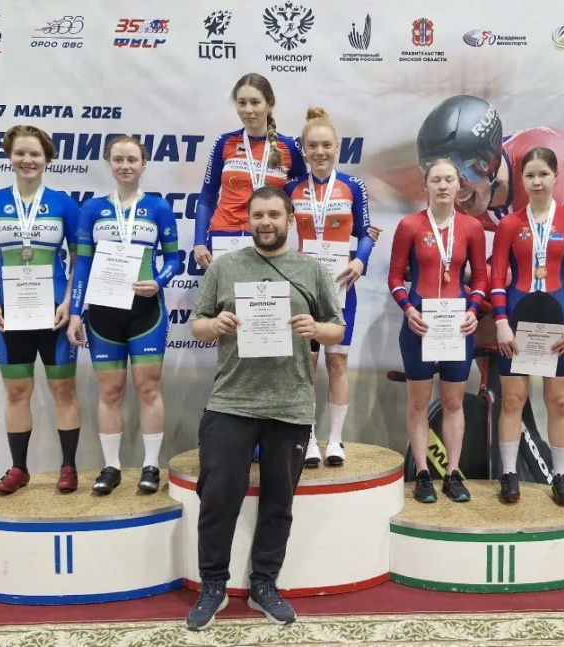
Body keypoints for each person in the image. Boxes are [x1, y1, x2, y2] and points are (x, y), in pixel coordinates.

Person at [416, 95, 564, 520]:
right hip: (540, 260)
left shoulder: (546, 170)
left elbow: (552, 273)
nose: (456, 189)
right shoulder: (469, 188)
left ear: (489, 163)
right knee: (487, 333)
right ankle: (522, 467)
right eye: (439, 173)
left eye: (463, 175)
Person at [185, 186, 344, 631]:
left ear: (290, 219)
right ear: (248, 220)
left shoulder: (312, 270)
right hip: (231, 401)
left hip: (290, 405)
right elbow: (196, 324)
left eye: (274, 214)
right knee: (218, 497)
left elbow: (336, 328)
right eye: (258, 215)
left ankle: (264, 585)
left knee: (279, 501)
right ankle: (213, 585)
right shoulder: (225, 267)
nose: (266, 222)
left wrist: (316, 328)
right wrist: (214, 324)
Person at [66, 136, 181, 495]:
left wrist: (159, 281)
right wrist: (74, 312)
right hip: (103, 313)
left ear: (144, 164)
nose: (125, 165)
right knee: (110, 391)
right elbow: (82, 264)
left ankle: (151, 465)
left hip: (146, 311)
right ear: (109, 163)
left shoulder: (158, 207)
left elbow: (174, 259)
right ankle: (111, 466)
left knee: (148, 389)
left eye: (132, 159)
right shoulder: (92, 209)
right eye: (118, 159)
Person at [0, 124, 81, 494]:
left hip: (54, 312)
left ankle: (69, 467)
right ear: (9, 156)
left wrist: (69, 302)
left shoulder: (64, 204)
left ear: (47, 158)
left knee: (63, 390)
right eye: (20, 152)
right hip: (11, 313)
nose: (27, 160)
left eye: (35, 153)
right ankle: (19, 469)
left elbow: (79, 260)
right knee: (17, 391)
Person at [490, 147, 564, 505]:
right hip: (517, 323)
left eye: (543, 174)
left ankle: (560, 476)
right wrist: (501, 323)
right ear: (521, 179)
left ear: (555, 176)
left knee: (559, 402)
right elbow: (496, 279)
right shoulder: (509, 224)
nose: (536, 182)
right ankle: (509, 473)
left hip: (558, 324)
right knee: (513, 400)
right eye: (530, 175)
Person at [388, 159, 487, 504]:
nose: (443, 186)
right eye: (436, 180)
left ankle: (453, 474)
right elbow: (395, 278)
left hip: (457, 327)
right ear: (426, 186)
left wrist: (473, 311)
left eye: (449, 180)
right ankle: (422, 474)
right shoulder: (409, 226)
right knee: (418, 403)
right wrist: (409, 309)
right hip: (419, 325)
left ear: (459, 186)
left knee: (453, 402)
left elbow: (481, 278)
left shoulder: (471, 227)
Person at [285, 107, 374, 467]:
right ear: (303, 149)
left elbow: (365, 233)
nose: (320, 152)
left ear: (338, 146)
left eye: (326, 145)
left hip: (341, 287)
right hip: (303, 289)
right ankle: (307, 438)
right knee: (304, 367)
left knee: (337, 364)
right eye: (312, 146)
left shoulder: (353, 186)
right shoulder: (291, 189)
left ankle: (335, 440)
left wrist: (360, 260)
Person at [194, 72, 307, 271]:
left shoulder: (289, 147)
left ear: (269, 104)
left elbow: (303, 201)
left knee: (265, 292)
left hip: (268, 236)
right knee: (225, 293)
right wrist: (199, 242)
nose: (248, 110)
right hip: (223, 235)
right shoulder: (224, 143)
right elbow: (206, 198)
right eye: (242, 103)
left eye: (255, 102)